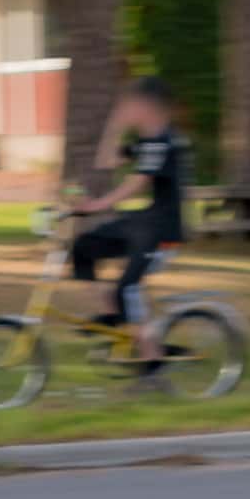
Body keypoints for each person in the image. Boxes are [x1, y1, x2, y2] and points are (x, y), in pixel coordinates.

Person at [65, 77, 188, 370]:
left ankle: (152, 364)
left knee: (126, 289)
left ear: (148, 107)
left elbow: (138, 182)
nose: (126, 109)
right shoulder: (147, 143)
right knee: (83, 247)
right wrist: (116, 126)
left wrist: (97, 205)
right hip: (144, 223)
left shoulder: (165, 142)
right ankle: (115, 317)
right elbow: (106, 161)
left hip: (163, 231)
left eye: (130, 105)